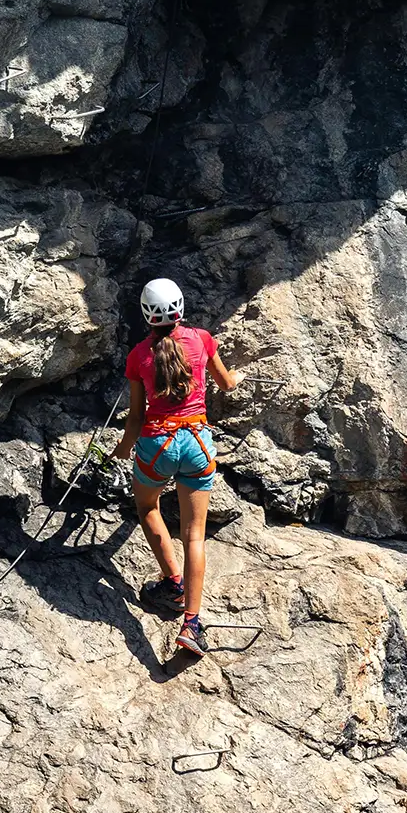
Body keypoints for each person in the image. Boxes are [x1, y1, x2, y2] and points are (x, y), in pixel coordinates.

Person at [112, 278, 238, 657]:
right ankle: (192, 624)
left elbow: (136, 418)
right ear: (180, 307)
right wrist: (240, 377)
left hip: (156, 445)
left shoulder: (138, 356)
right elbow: (227, 384)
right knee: (194, 535)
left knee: (147, 508)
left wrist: (122, 448)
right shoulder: (201, 339)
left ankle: (172, 583)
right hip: (198, 443)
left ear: (145, 313)